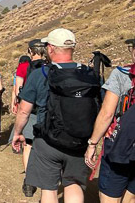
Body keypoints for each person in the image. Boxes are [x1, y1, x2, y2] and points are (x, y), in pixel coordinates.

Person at [12, 28, 99, 203]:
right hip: (79, 142)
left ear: (50, 48)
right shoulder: (89, 75)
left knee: (49, 189)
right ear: (72, 48)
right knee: (73, 185)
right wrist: (93, 142)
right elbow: (100, 110)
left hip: (48, 141)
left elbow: (23, 110)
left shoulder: (40, 74)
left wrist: (18, 132)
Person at [85, 38, 135, 202]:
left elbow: (107, 113)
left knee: (109, 197)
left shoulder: (121, 74)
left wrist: (92, 144)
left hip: (118, 149)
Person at [9, 39, 46, 197]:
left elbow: (18, 89)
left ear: (30, 51)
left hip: (30, 110)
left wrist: (16, 104)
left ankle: (29, 181)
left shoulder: (24, 66)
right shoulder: (50, 67)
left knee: (28, 145)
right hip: (48, 112)